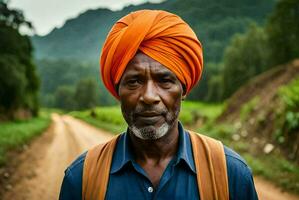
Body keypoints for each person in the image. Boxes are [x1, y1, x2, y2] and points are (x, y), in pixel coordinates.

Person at [59, 10, 258, 200]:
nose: (149, 97)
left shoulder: (230, 175)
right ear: (117, 91)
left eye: (164, 80)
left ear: (184, 89)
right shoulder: (81, 179)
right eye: (134, 81)